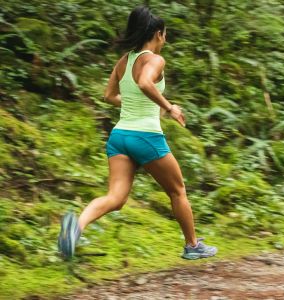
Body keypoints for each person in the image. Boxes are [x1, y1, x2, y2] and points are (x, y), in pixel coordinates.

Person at [57, 5, 217, 260]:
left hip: (120, 137)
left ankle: (75, 227)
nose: (165, 39)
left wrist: (139, 103)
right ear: (157, 34)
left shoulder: (124, 61)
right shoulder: (154, 59)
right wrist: (169, 107)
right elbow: (144, 82)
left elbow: (109, 96)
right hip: (146, 136)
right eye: (165, 34)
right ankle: (192, 245)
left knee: (116, 198)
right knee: (178, 191)